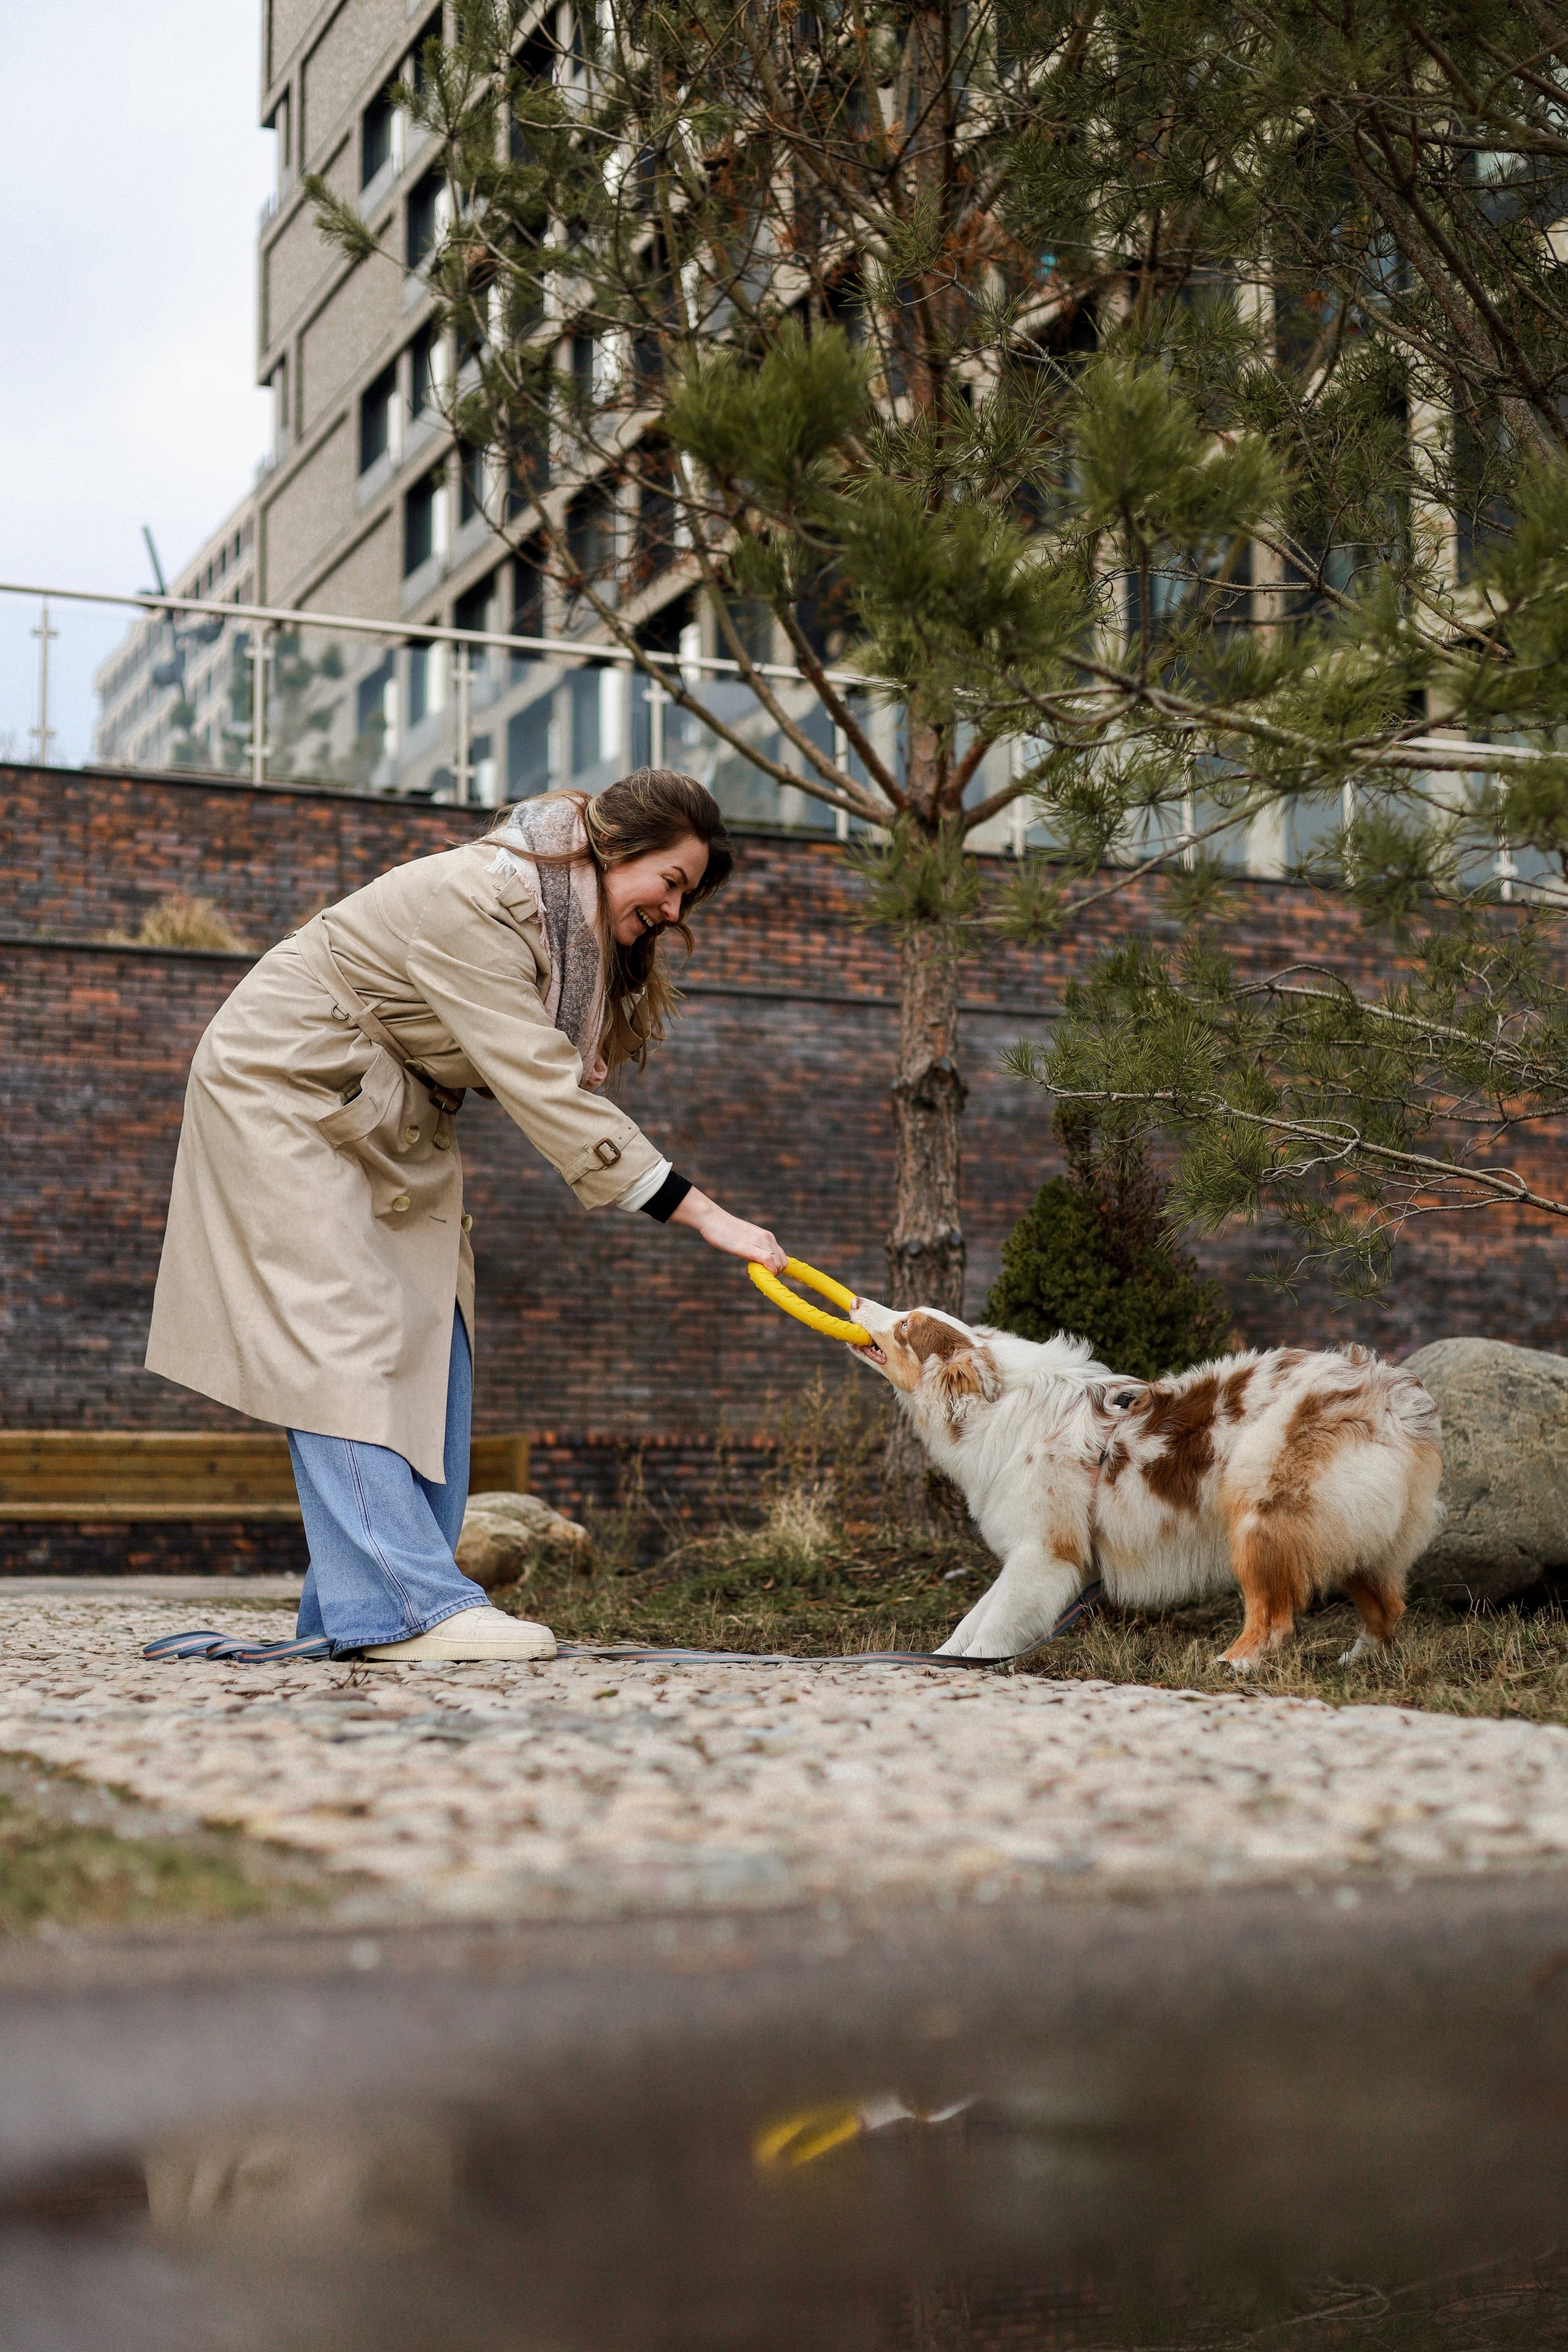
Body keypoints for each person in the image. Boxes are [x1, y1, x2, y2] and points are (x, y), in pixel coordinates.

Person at [146, 769, 786, 1662]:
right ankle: (410, 1607)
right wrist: (704, 1213)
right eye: (670, 883)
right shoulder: (480, 898)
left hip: (389, 1111)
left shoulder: (560, 932)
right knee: (340, 1342)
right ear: (614, 847)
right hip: (286, 1088)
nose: (676, 913)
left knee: (433, 1337)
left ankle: (357, 1614)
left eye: (689, 896)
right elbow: (540, 1082)